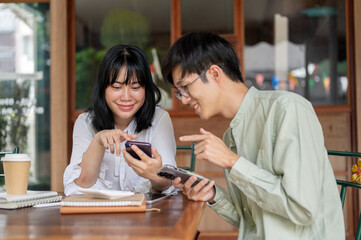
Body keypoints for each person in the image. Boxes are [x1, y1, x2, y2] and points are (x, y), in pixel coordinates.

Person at [161, 32, 344, 239]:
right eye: (178, 92)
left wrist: (232, 161)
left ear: (214, 73)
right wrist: (212, 195)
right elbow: (252, 222)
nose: (184, 99)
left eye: (185, 87)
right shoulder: (233, 133)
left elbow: (301, 209)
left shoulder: (288, 109)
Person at [63, 44, 176, 196]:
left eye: (135, 87)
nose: (126, 97)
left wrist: (153, 174)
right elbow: (81, 185)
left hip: (146, 216)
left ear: (146, 89)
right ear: (103, 89)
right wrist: (98, 141)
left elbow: (168, 182)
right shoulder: (85, 122)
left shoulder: (159, 118)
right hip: (97, 217)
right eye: (116, 87)